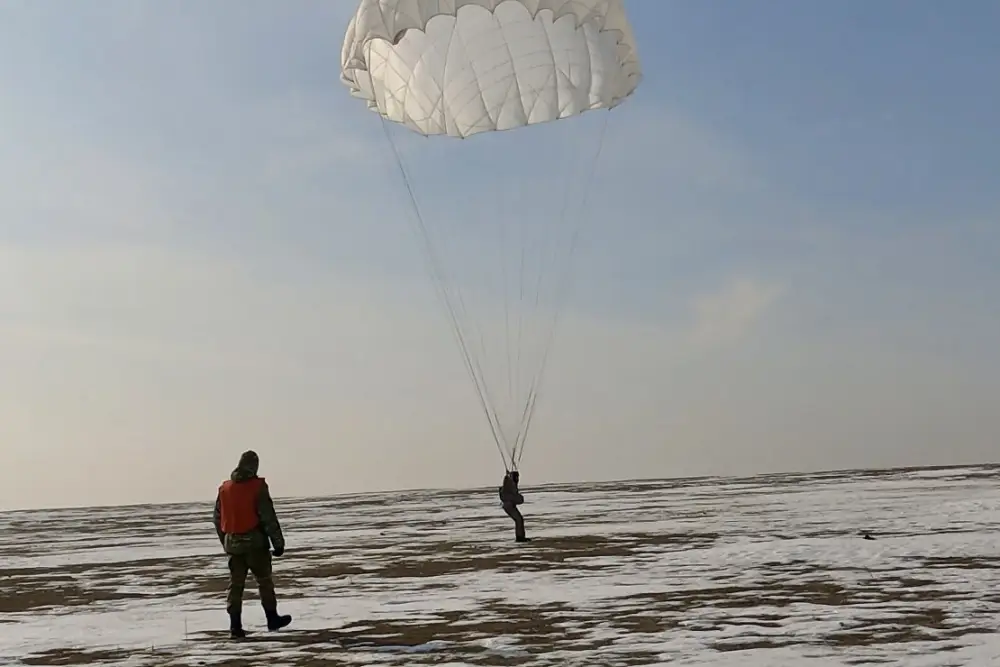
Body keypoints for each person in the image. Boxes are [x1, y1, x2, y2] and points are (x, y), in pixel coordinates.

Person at [212, 450, 292, 639]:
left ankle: (235, 626)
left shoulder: (224, 489)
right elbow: (268, 516)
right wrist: (278, 543)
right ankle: (272, 618)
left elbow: (217, 518)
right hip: (256, 545)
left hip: (233, 545)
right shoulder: (258, 487)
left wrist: (225, 541)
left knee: (236, 585)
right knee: (264, 582)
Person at [498, 470, 529, 542]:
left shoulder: (511, 484)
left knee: (519, 520)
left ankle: (520, 536)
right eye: (517, 477)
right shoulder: (509, 483)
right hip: (508, 506)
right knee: (519, 519)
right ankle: (520, 537)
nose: (518, 479)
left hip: (510, 505)